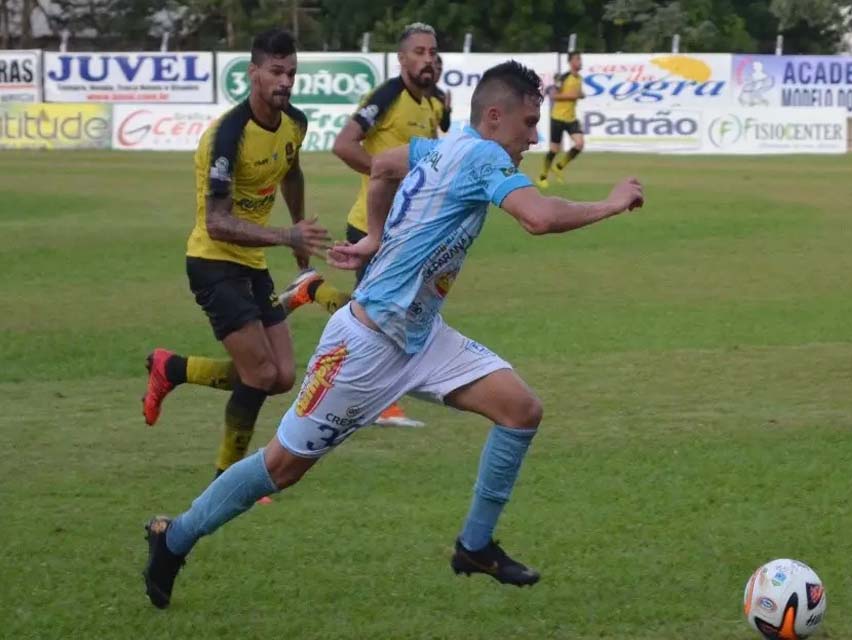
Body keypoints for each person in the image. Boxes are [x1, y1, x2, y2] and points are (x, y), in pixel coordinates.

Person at [141, 60, 644, 609]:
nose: (532, 137)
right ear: (495, 117)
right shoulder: (482, 157)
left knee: (521, 410)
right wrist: (613, 203)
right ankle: (175, 537)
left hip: (422, 338)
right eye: (528, 123)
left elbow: (382, 166)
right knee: (281, 468)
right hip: (364, 346)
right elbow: (538, 218)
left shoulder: (439, 147)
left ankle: (474, 547)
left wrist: (374, 239)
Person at [140, 28, 339, 483]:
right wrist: (286, 235)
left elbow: (292, 171)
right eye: (275, 72)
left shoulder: (295, 122)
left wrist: (300, 237)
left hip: (251, 261)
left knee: (283, 376)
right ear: (253, 74)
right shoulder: (227, 137)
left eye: (291, 72)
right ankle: (227, 478)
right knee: (260, 373)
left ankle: (170, 368)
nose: (285, 81)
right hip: (213, 262)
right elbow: (217, 222)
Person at [279, 22, 442, 428]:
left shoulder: (434, 103)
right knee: (378, 315)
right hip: (371, 226)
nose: (428, 59)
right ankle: (382, 404)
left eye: (433, 52)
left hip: (406, 228)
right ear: (402, 58)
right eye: (419, 52)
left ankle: (311, 290)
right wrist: (383, 173)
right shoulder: (387, 96)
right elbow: (343, 143)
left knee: (387, 310)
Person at [537, 51, 585, 188]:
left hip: (571, 118)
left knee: (579, 144)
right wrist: (572, 96)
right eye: (577, 59)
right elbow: (553, 95)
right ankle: (542, 176)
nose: (580, 62)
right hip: (557, 118)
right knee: (554, 149)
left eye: (580, 59)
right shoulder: (563, 78)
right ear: (570, 62)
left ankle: (559, 166)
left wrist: (580, 95)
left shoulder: (579, 78)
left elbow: (578, 94)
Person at [429, 54, 452, 134]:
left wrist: (447, 109)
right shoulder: (414, 90)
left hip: (428, 144)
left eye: (440, 69)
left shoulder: (440, 95)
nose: (438, 72)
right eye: (435, 69)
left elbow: (444, 127)